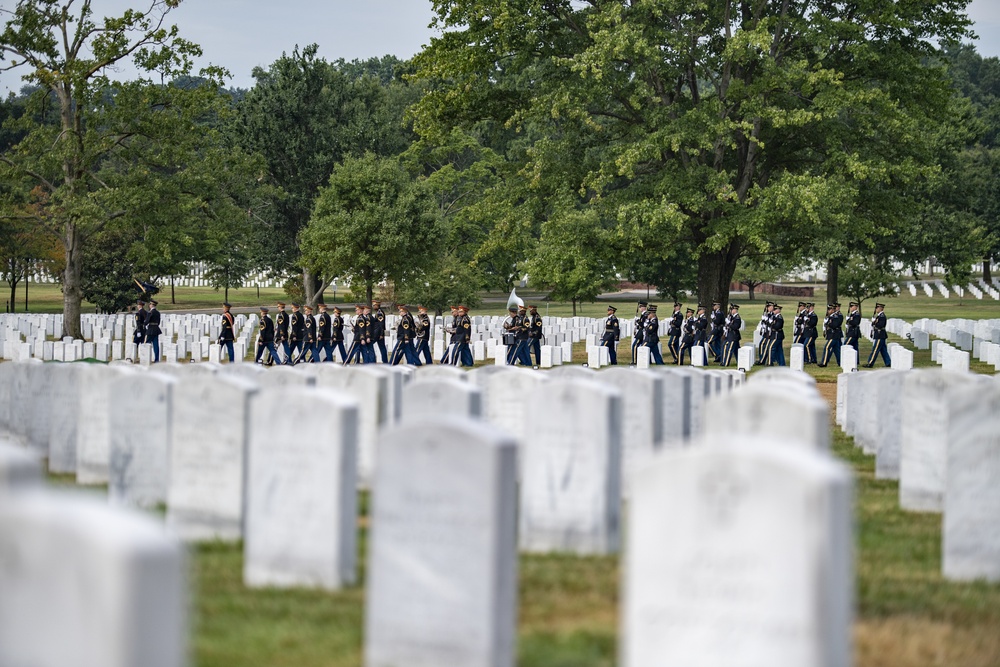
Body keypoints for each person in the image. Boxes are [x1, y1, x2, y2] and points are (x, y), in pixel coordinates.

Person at [865, 302, 891, 368]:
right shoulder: (879, 316)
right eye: (876, 308)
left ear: (881, 308)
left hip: (880, 335)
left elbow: (880, 325)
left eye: (877, 308)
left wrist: (874, 323)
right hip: (879, 335)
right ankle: (888, 363)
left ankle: (870, 363)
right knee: (883, 350)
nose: (876, 309)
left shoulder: (882, 316)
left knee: (875, 350)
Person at [818, 302, 843, 367]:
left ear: (832, 310)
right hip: (832, 335)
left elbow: (835, 325)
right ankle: (841, 363)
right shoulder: (831, 317)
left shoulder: (835, 317)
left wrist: (828, 324)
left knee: (827, 347)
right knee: (836, 350)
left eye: (829, 310)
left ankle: (824, 362)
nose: (828, 311)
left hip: (834, 335)